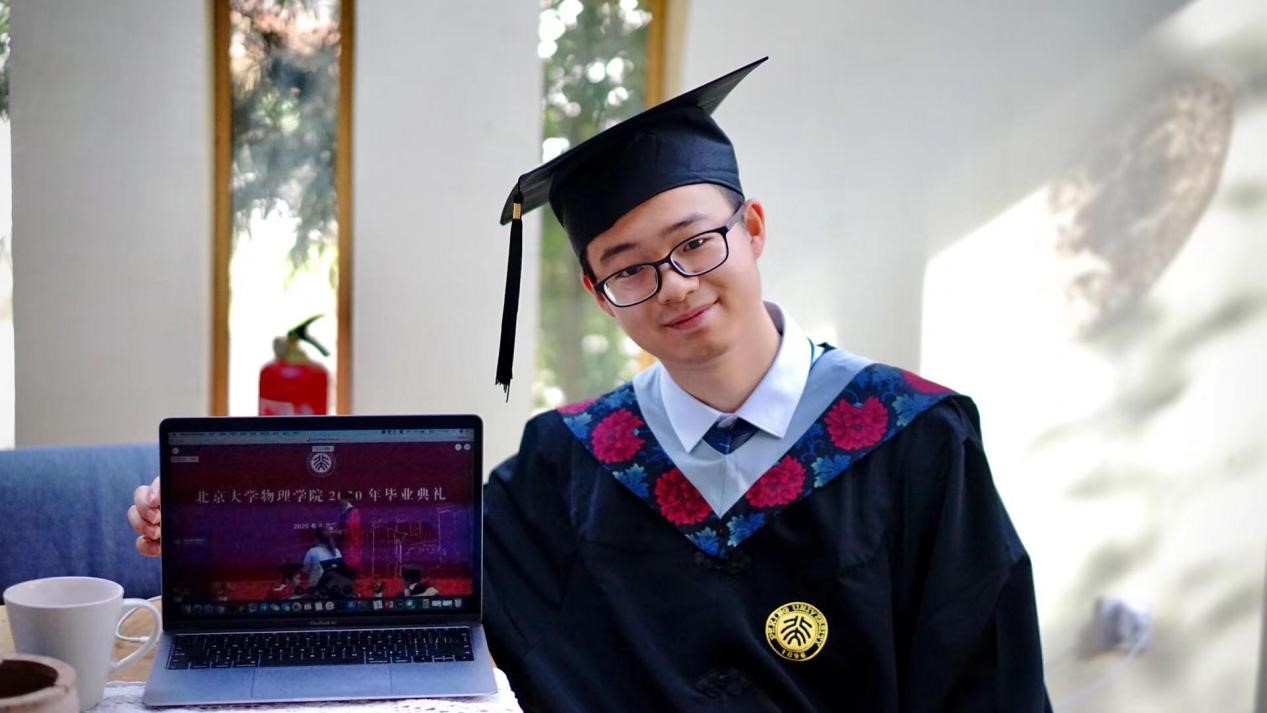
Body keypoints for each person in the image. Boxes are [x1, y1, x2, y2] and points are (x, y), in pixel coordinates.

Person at [131, 57, 1052, 711]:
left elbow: (988, 677)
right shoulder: (572, 460)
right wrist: (218, 517)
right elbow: (405, 554)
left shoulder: (911, 436)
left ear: (753, 229)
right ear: (598, 292)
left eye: (696, 241)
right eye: (629, 267)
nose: (675, 285)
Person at [334, 490, 363, 574]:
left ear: (346, 499)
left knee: (349, 562)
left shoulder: (354, 511)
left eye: (341, 499)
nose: (339, 501)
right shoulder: (342, 511)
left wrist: (343, 532)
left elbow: (354, 528)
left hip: (349, 541)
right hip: (340, 540)